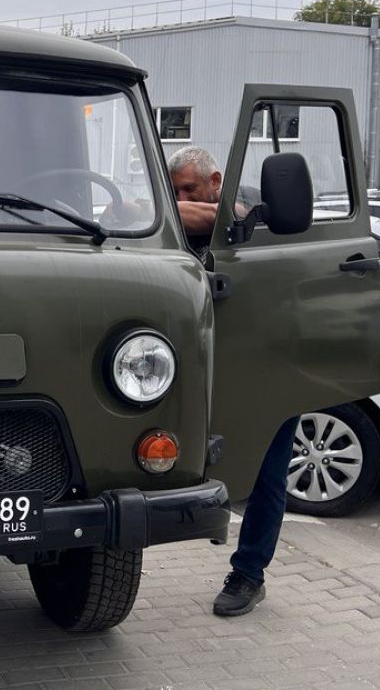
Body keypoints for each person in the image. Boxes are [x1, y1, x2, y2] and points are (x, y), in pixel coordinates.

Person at [166, 145, 298, 617]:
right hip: (198, 365)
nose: (178, 198)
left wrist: (163, 205)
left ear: (216, 181)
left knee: (267, 473)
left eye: (188, 189)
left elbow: (225, 219)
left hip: (265, 364)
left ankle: (249, 574)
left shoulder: (255, 212)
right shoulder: (173, 216)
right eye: (173, 189)